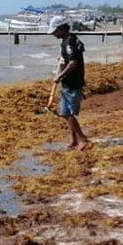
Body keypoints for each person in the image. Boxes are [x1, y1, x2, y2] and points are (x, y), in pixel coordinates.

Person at [45, 15, 91, 150]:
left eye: (55, 31)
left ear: (61, 28)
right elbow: (70, 57)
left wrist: (60, 75)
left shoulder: (69, 42)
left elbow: (73, 63)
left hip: (73, 82)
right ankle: (74, 140)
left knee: (66, 113)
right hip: (70, 82)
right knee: (66, 112)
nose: (53, 34)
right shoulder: (69, 40)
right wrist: (62, 57)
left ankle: (82, 140)